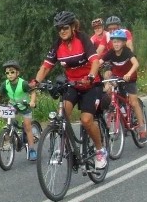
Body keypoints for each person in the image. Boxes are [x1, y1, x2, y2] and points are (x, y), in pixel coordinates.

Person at [32, 11, 108, 169]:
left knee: (86, 120)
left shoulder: (83, 39)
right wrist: (35, 81)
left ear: (73, 27)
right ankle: (68, 148)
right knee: (62, 114)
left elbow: (94, 61)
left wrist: (91, 76)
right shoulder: (57, 44)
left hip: (91, 85)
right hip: (72, 85)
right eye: (59, 29)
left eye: (65, 27)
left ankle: (100, 151)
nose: (62, 31)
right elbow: (46, 67)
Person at [0, 60, 38, 160]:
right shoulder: (5, 84)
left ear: (17, 73)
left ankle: (31, 150)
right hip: (13, 105)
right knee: (8, 119)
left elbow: (33, 92)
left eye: (12, 72)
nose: (10, 75)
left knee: (27, 127)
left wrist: (32, 101)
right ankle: (11, 132)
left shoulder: (23, 83)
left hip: (25, 106)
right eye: (7, 73)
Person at [102, 29, 147, 142]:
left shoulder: (127, 52)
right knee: (108, 91)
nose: (116, 44)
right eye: (114, 42)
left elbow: (136, 63)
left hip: (129, 79)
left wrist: (129, 74)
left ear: (123, 43)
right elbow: (99, 61)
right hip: (118, 78)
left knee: (133, 102)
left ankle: (142, 129)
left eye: (118, 42)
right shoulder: (111, 53)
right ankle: (118, 112)